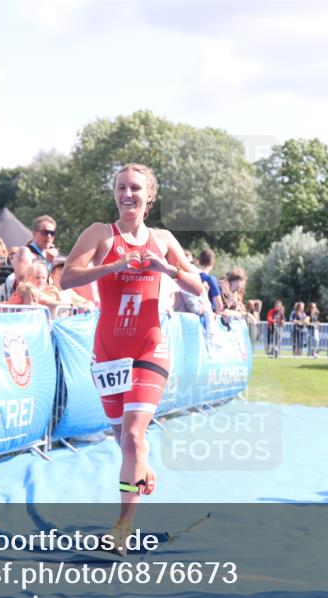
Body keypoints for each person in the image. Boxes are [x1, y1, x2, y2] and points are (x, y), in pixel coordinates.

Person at [59, 163, 202, 546]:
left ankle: (123, 526)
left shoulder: (163, 239)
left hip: (149, 347)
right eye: (121, 187)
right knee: (124, 438)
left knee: (135, 436)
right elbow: (66, 277)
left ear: (149, 195)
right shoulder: (101, 234)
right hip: (107, 352)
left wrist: (168, 268)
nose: (127, 194)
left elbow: (197, 287)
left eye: (135, 188)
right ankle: (140, 469)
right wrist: (114, 266)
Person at [196, 249, 224, 315]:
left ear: (199, 262)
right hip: (207, 316)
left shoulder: (193, 277)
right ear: (213, 263)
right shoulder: (211, 279)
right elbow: (219, 305)